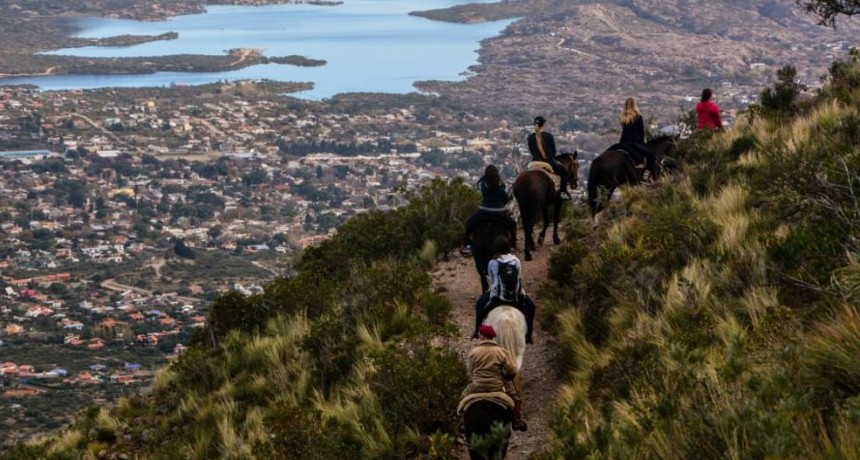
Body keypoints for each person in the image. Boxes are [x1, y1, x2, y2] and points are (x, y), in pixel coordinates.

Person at [463, 323, 527, 432]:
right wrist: (507, 376)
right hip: (496, 386)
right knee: (516, 398)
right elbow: (512, 369)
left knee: (463, 397)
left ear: (482, 336)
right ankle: (516, 421)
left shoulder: (473, 352)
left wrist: (476, 377)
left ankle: (464, 423)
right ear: (492, 337)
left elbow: (470, 372)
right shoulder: (502, 352)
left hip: (477, 386)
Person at [472, 235, 536, 344]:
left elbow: (492, 281)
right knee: (531, 307)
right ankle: (528, 335)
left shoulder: (492, 262)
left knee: (479, 305)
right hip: (515, 296)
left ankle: (477, 331)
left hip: (497, 296)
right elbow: (519, 277)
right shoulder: (516, 260)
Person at [462, 165, 517, 255]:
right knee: (512, 225)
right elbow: (506, 199)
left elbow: (480, 185)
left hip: (484, 211)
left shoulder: (484, 185)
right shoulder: (501, 187)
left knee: (469, 223)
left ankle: (467, 245)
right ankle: (512, 246)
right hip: (499, 213)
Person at [526, 116, 572, 200]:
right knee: (564, 174)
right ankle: (563, 193)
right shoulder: (548, 136)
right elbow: (553, 151)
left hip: (533, 163)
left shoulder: (530, 138)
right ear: (543, 125)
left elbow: (532, 151)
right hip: (548, 163)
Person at [618, 97, 657, 181]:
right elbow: (641, 133)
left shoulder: (623, 118)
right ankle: (645, 176)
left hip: (623, 143)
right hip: (634, 143)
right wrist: (643, 144)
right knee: (651, 156)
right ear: (634, 105)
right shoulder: (638, 117)